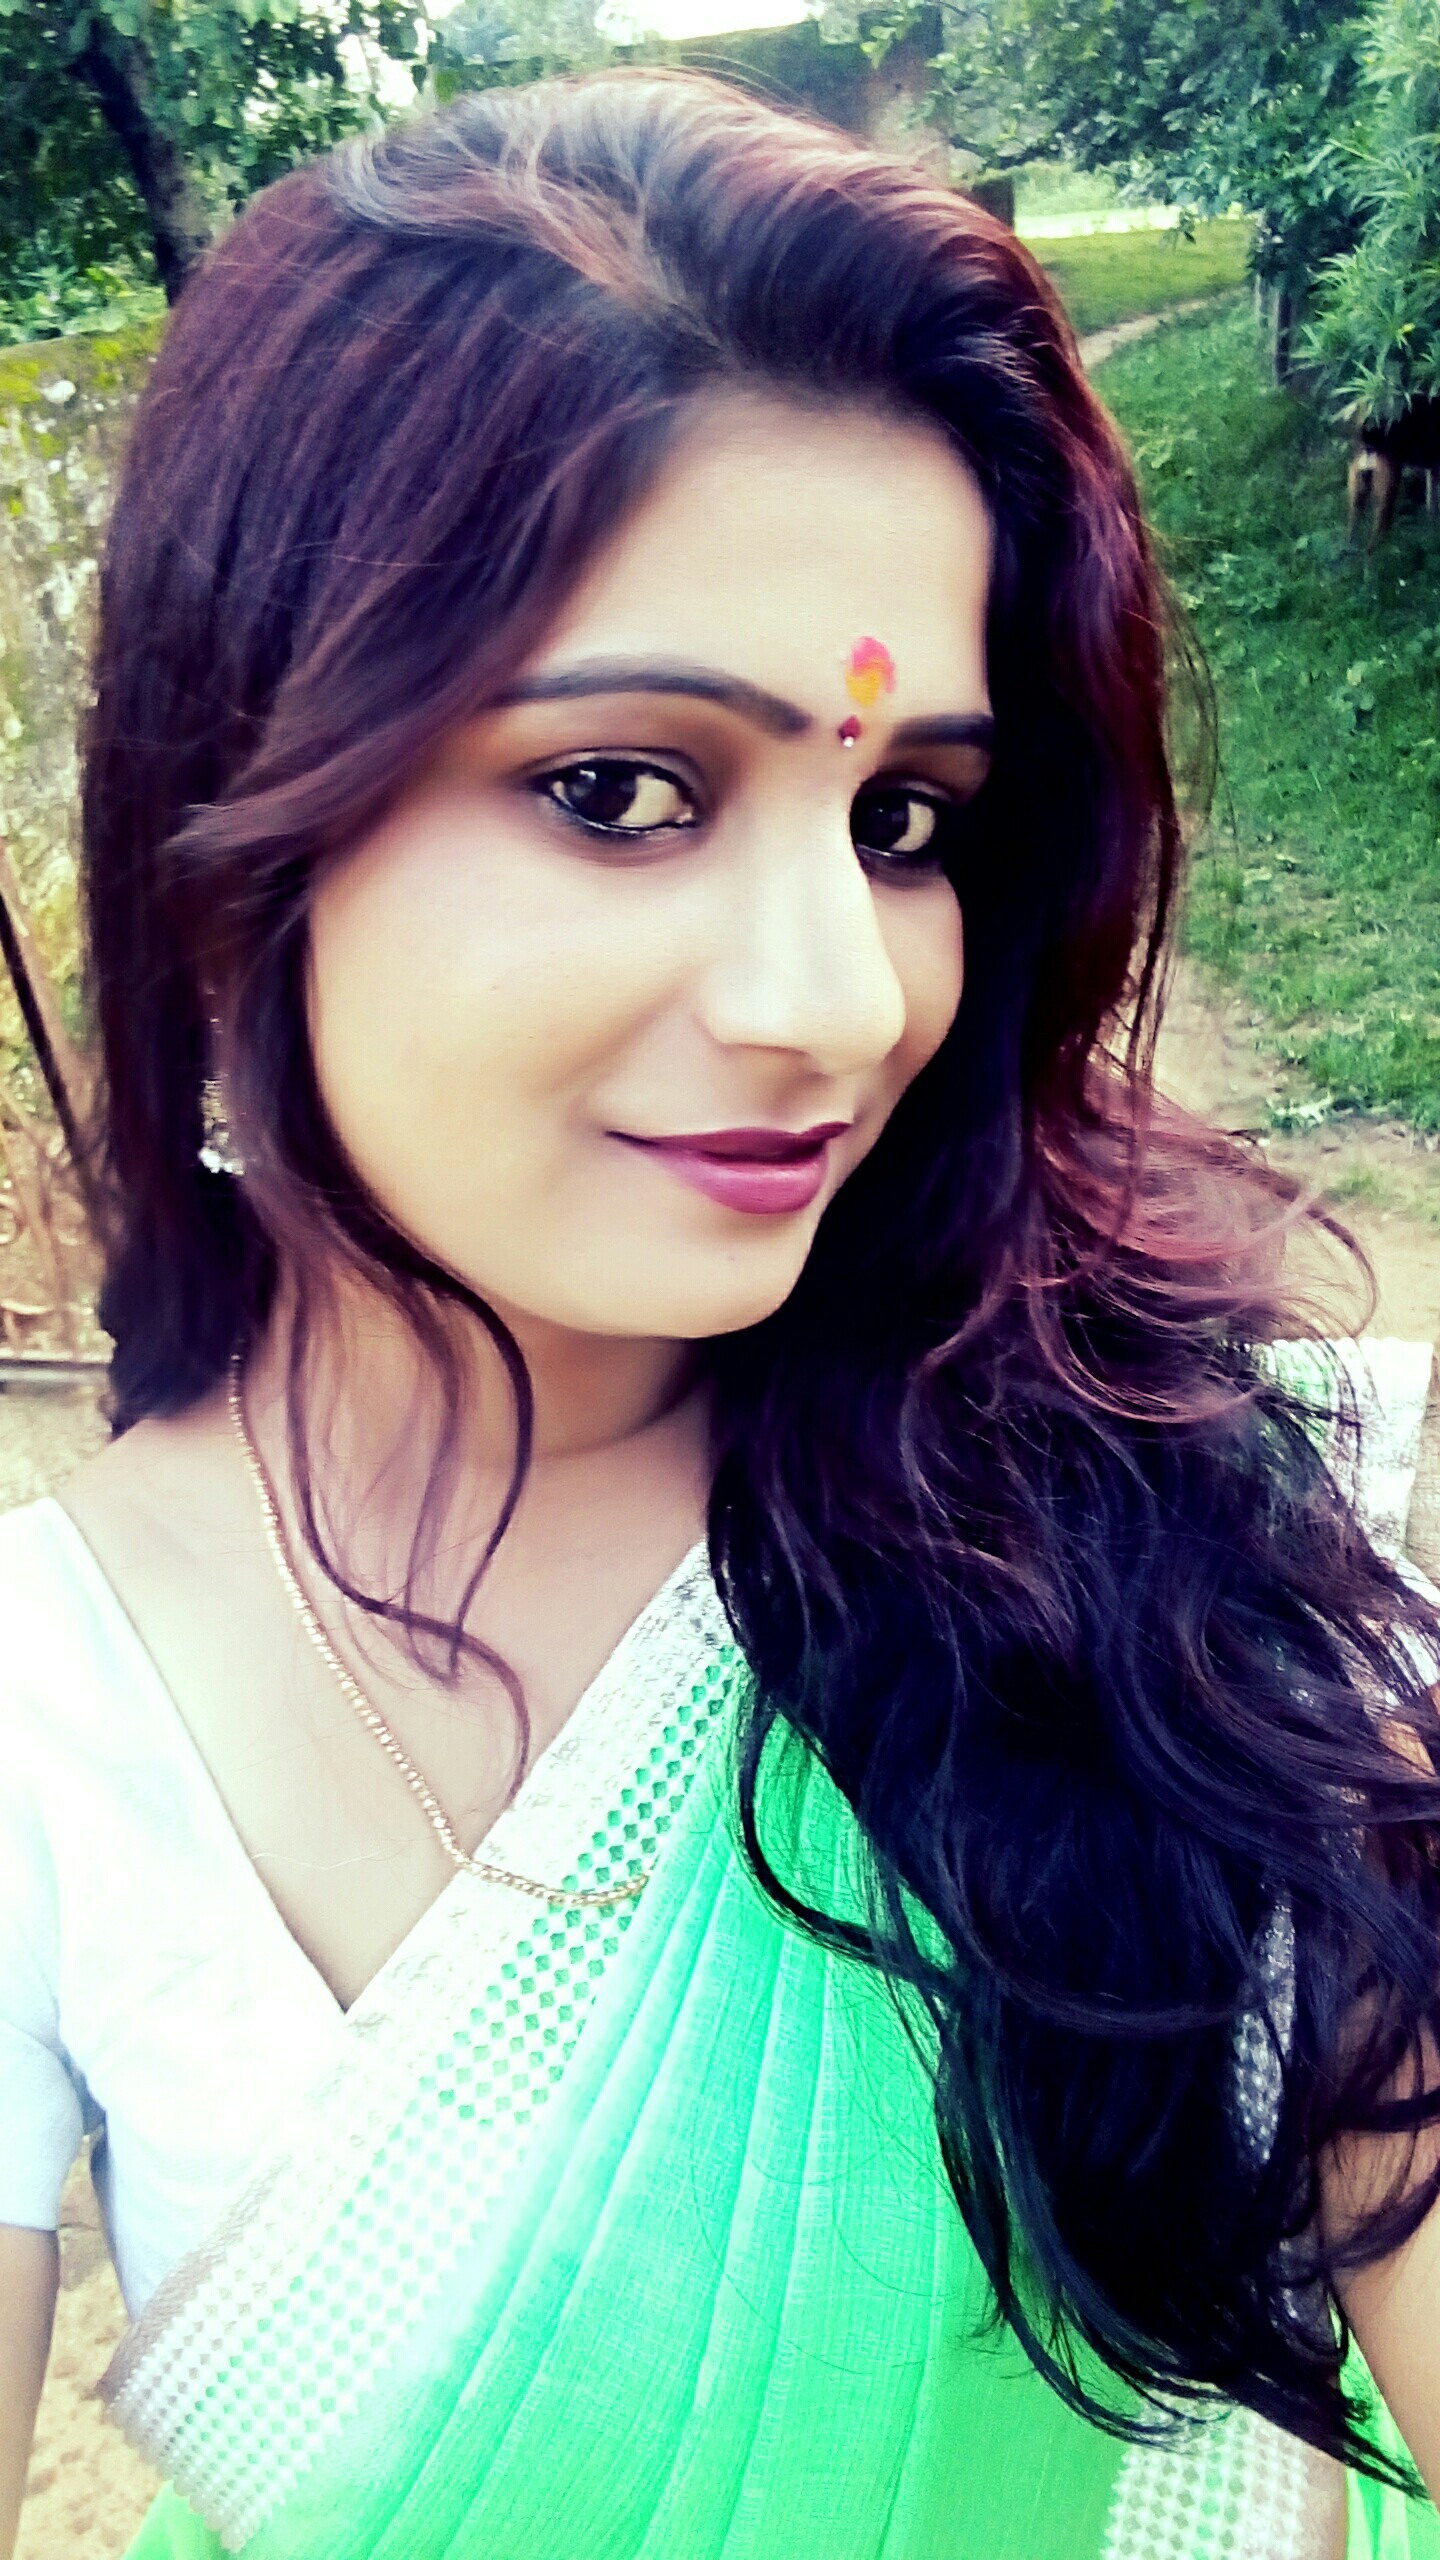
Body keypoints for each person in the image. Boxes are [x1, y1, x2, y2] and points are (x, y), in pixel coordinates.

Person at [1, 69, 1439, 2560]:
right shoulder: (51, 1722)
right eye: (622, 789)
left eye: (905, 821)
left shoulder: (1212, 1538)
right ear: (239, 849)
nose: (838, 998)